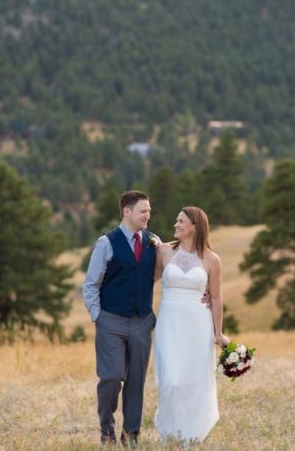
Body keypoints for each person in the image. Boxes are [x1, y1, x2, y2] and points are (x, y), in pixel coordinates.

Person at [83, 191, 210, 446]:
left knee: (136, 380)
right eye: (143, 211)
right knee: (111, 376)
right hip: (111, 320)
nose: (148, 216)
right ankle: (106, 427)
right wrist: (99, 317)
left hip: (142, 322)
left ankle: (131, 435)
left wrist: (202, 287)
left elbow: (171, 269)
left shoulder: (154, 242)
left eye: (149, 211)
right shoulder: (106, 243)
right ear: (126, 211)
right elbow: (90, 285)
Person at [153, 206, 229, 443]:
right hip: (169, 321)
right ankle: (168, 431)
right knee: (171, 379)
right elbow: (146, 280)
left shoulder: (211, 259)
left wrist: (219, 333)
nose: (175, 224)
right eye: (176, 220)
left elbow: (216, 297)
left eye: (181, 221)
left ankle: (190, 435)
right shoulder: (163, 251)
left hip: (198, 324)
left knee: (193, 379)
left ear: (195, 226)